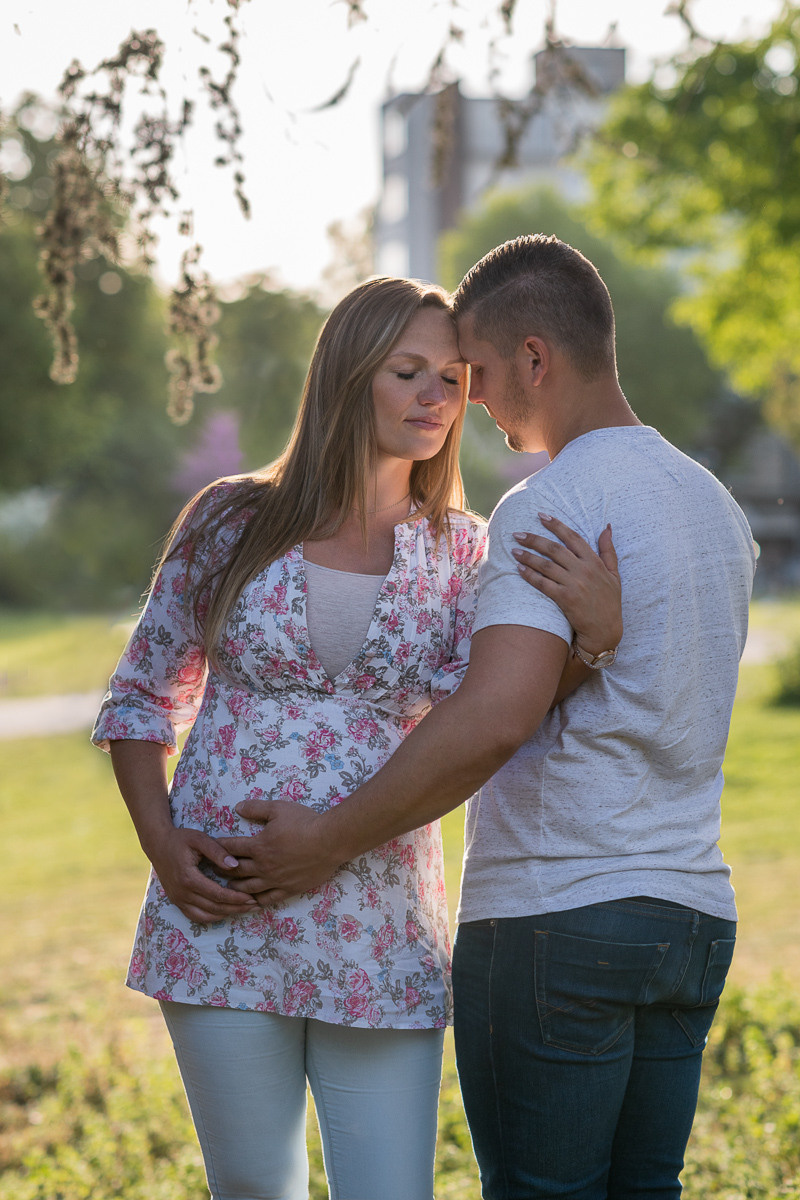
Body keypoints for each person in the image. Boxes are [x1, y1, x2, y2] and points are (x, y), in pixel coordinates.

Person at [222, 238, 757, 1200]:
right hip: (692, 917)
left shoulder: (550, 503)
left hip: (559, 917)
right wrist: (592, 647)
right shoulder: (716, 507)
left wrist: (328, 839)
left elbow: (494, 717)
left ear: (535, 359)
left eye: (475, 373)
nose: (468, 402)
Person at [91, 274, 622, 1200]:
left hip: (378, 916)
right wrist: (163, 845)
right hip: (222, 909)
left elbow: (498, 706)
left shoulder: (465, 550)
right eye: (407, 372)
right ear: (346, 379)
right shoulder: (231, 521)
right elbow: (141, 696)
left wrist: (594, 636)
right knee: (256, 1186)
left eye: (453, 378)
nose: (437, 398)